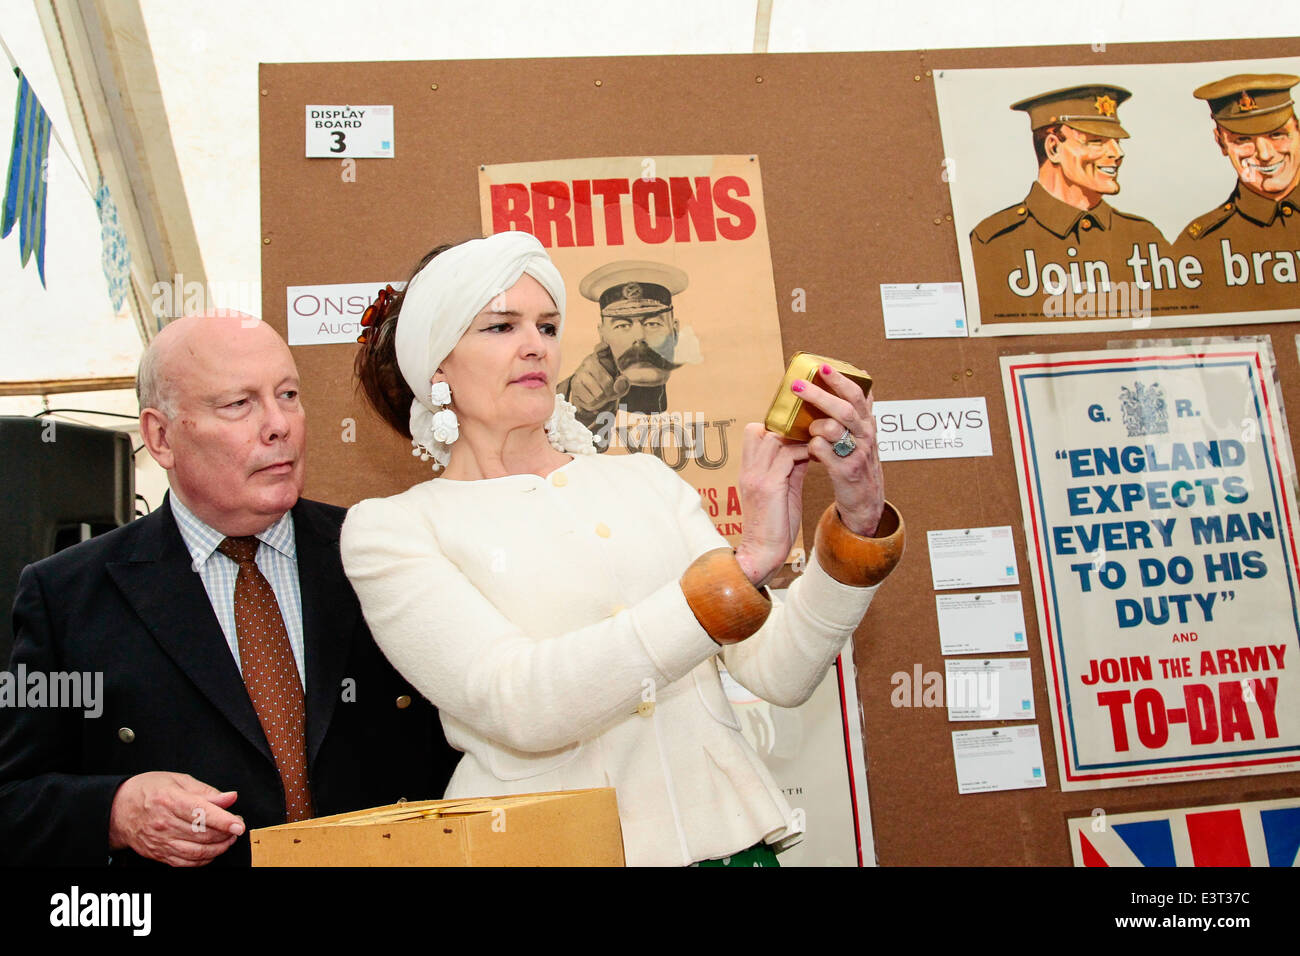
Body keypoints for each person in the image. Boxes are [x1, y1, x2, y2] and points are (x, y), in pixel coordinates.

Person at [342, 232, 904, 867]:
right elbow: (520, 703)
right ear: (436, 364)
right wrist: (741, 570)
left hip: (730, 847)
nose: (535, 345)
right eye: (500, 327)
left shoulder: (643, 480)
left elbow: (777, 671)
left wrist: (856, 524)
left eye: (548, 326)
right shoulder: (393, 530)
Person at [0, 312, 456, 866]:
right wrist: (116, 810)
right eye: (239, 404)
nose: (279, 424)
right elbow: (13, 800)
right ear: (160, 437)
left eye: (288, 394)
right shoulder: (68, 597)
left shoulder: (382, 550)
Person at [970, 84, 1168, 324]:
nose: (1117, 152)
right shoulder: (993, 242)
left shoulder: (1143, 236)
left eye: (1116, 141)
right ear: (1053, 147)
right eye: (1097, 141)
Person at [1175, 74, 1299, 311]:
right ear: (1221, 143)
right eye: (1243, 139)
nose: (1264, 154)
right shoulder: (1199, 244)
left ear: (1299, 131)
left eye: (1276, 134)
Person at [556, 260, 699, 449]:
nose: (639, 337)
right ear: (603, 335)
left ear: (674, 331)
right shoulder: (571, 396)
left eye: (652, 324)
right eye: (622, 325)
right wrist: (580, 408)